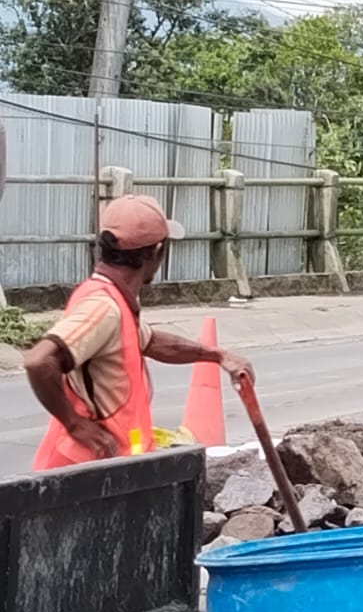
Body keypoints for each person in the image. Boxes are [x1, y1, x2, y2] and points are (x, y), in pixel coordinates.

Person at [25, 195, 254, 468]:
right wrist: (74, 424)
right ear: (157, 250)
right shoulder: (103, 307)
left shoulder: (116, 300)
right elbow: (38, 361)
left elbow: (152, 341)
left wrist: (216, 354)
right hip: (80, 473)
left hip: (108, 467)